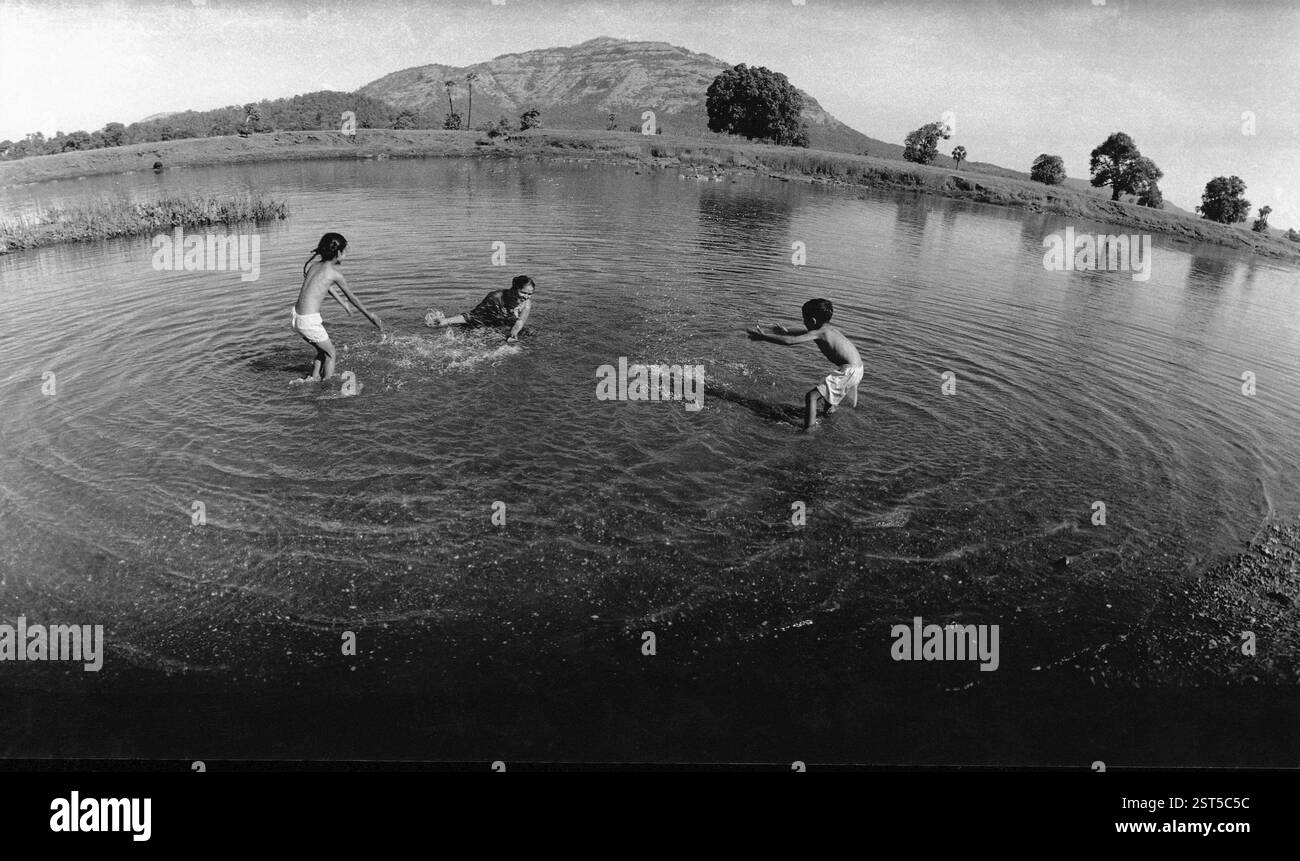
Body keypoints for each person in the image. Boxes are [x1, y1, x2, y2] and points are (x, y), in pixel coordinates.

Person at [747, 298, 863, 430]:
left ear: (812, 321)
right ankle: (827, 419)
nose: (803, 322)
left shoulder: (819, 333)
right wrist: (786, 331)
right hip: (858, 367)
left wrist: (764, 337)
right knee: (828, 397)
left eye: (804, 319)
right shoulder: (828, 330)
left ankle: (809, 429)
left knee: (811, 396)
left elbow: (790, 341)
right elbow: (804, 333)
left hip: (849, 370)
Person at [292, 232, 382, 381]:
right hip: (308, 321)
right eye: (345, 252)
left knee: (322, 350)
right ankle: (327, 388)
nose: (346, 256)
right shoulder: (334, 274)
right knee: (331, 353)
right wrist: (370, 315)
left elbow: (325, 286)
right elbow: (352, 297)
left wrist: (342, 303)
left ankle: (313, 379)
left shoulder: (314, 266)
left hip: (296, 317)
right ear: (338, 252)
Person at [426, 275, 535, 343]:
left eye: (529, 294)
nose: (526, 296)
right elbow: (474, 315)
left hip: (504, 323)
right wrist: (446, 321)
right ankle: (444, 321)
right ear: (514, 289)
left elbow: (520, 321)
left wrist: (514, 334)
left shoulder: (526, 302)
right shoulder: (496, 297)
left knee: (529, 333)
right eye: (523, 292)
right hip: (487, 320)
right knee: (477, 334)